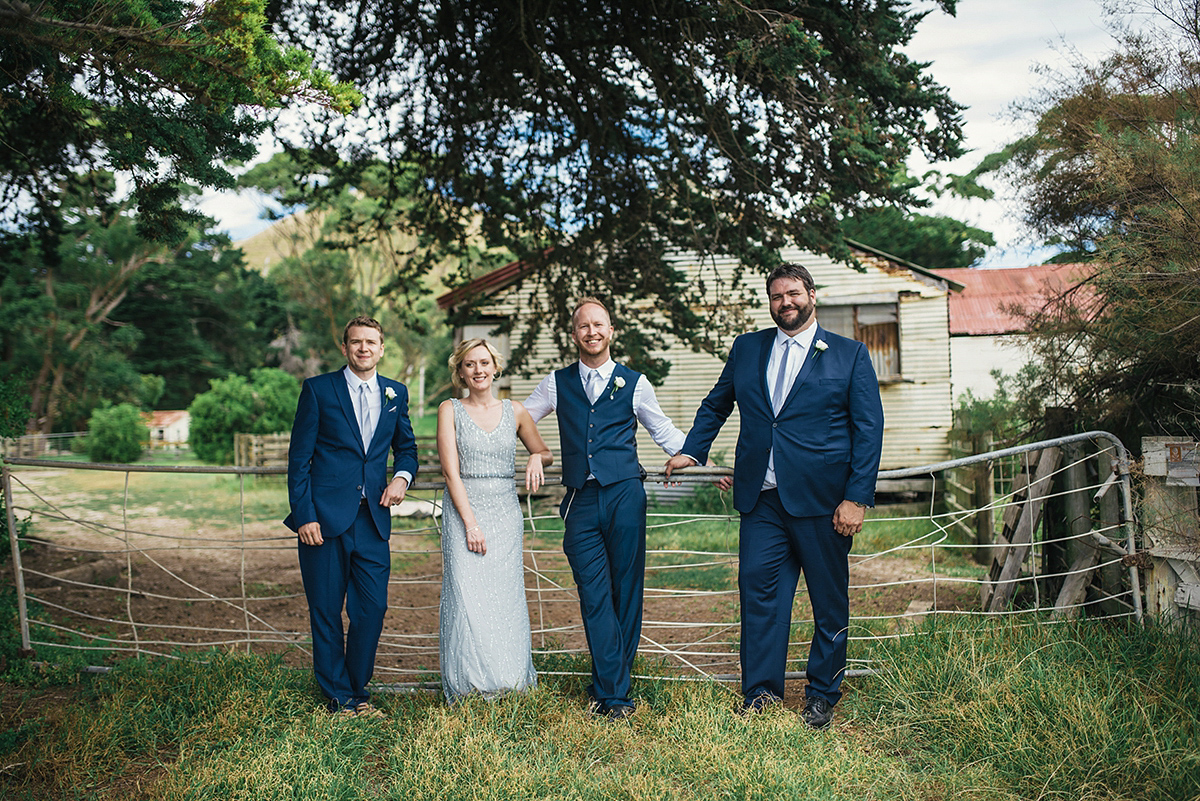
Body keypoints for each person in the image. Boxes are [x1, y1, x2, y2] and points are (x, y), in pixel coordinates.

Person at [665, 263, 884, 729]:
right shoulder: (748, 348)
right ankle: (761, 693)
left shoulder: (849, 354)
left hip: (824, 503)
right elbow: (717, 402)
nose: (785, 302)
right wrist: (692, 451)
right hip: (761, 500)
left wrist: (857, 497)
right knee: (760, 597)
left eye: (793, 293)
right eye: (776, 296)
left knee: (828, 603)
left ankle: (822, 694)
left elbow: (869, 428)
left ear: (811, 295)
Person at [523, 296, 690, 721]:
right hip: (580, 500)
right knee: (594, 595)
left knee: (626, 593)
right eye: (583, 326)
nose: (592, 332)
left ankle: (611, 690)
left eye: (599, 325)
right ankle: (615, 693)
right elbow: (518, 419)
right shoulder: (557, 383)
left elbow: (664, 430)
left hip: (625, 495)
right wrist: (533, 452)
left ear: (611, 331)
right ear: (574, 333)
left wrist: (701, 459)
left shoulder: (635, 382)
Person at [284, 315, 419, 717]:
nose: (363, 348)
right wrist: (305, 515)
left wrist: (401, 478)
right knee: (325, 611)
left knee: (372, 609)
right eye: (356, 342)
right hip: (323, 522)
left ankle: (357, 688)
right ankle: (342, 699)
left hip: (373, 519)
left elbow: (407, 449)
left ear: (381, 349)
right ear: (344, 348)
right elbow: (299, 459)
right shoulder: (318, 390)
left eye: (371, 342)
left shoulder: (397, 393)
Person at [437, 338, 553, 701]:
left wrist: (536, 458)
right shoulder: (449, 410)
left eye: (484, 363)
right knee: (466, 596)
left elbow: (544, 450)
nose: (479, 370)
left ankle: (509, 677)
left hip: (505, 513)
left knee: (504, 598)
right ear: (461, 371)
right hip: (463, 512)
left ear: (495, 367)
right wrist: (470, 523)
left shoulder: (516, 411)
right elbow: (450, 472)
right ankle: (468, 681)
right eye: (470, 364)